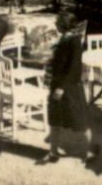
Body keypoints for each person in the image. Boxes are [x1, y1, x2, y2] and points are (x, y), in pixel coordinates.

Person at [39, 15, 98, 165]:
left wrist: (61, 88)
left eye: (58, 22)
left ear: (65, 24)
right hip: (57, 84)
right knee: (55, 120)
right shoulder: (63, 39)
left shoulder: (74, 41)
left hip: (70, 87)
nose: (55, 25)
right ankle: (53, 152)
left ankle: (88, 152)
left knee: (79, 121)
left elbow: (74, 69)